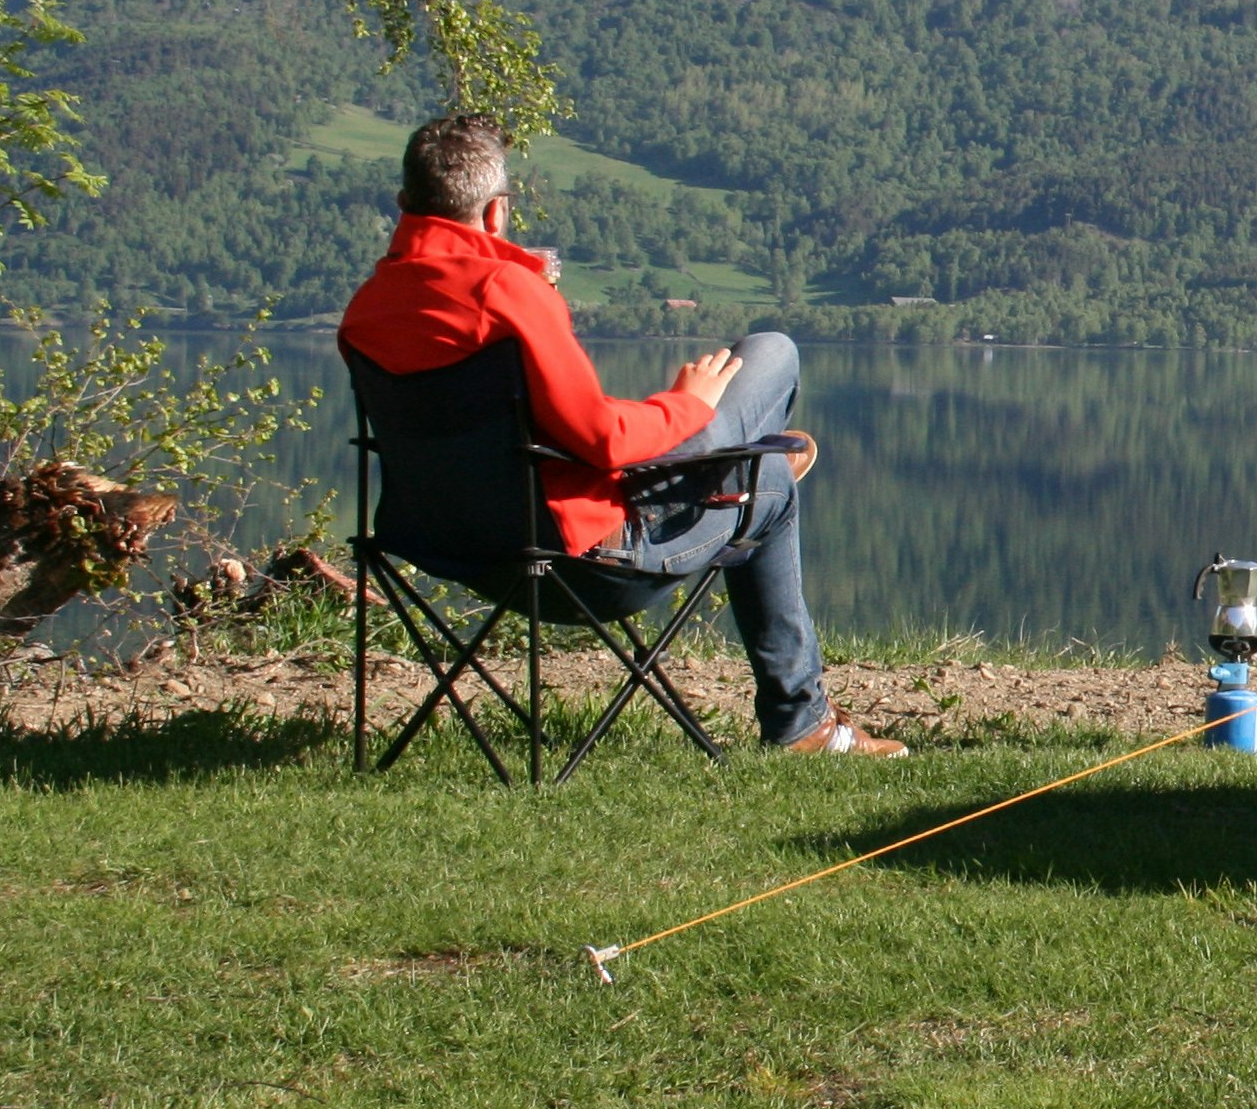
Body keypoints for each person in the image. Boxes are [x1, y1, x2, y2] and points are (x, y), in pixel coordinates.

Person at [339, 113, 903, 757]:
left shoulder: (367, 308)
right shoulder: (507, 291)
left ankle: (733, 475)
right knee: (771, 420)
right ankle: (801, 722)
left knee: (761, 401)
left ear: (405, 202)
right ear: (496, 214)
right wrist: (685, 404)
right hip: (584, 560)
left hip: (452, 547)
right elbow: (602, 440)